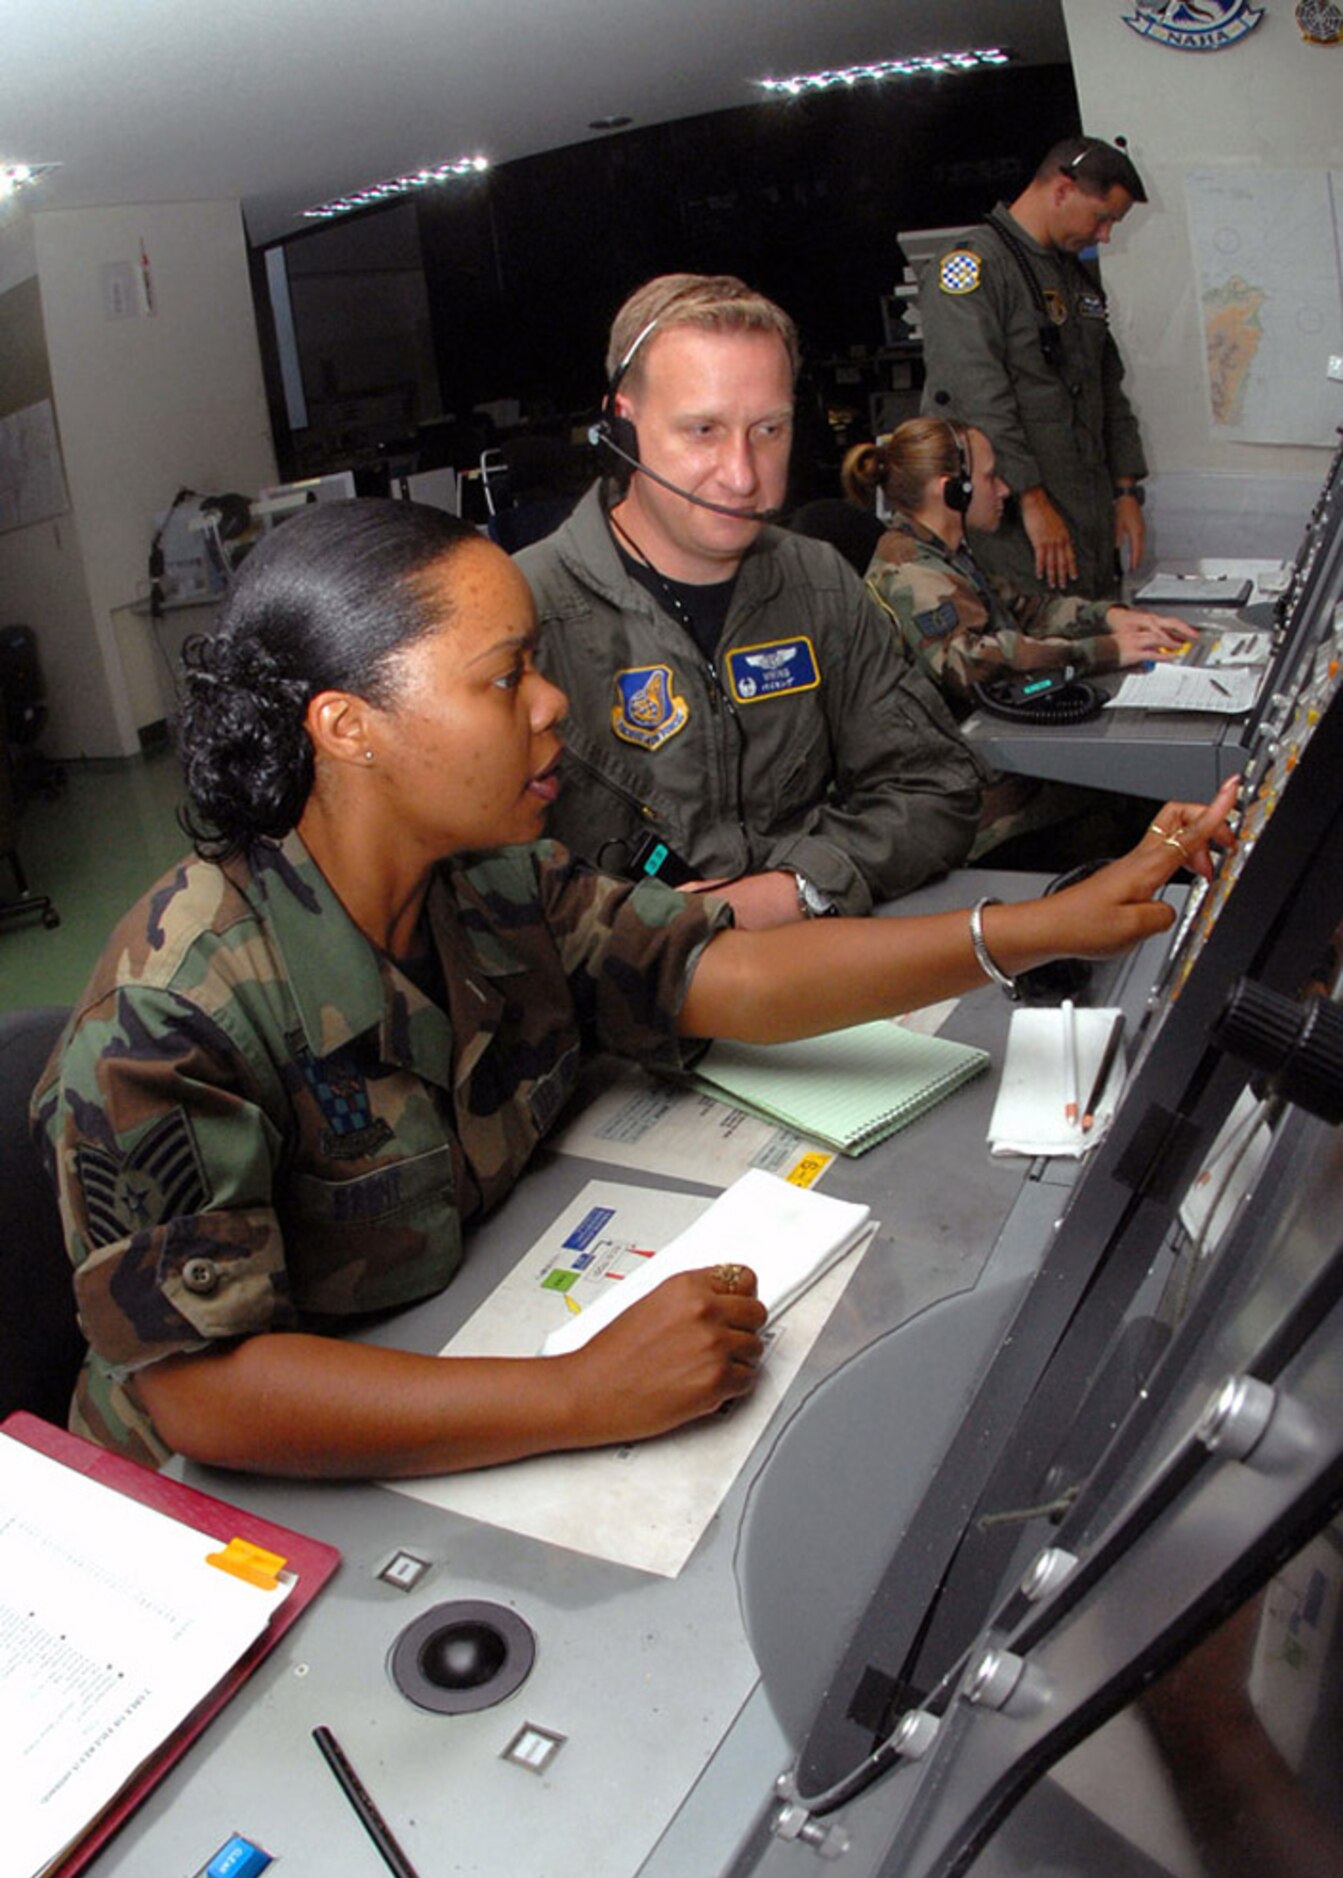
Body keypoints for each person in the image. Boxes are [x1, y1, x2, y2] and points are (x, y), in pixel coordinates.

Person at [32, 499, 1236, 1482]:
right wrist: (576, 1393)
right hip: (214, 1502)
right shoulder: (171, 1015)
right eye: (504, 679)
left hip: (447, 1340)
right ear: (349, 727)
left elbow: (725, 968)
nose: (552, 703)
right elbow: (203, 1391)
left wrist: (1028, 929)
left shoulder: (491, 878)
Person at [515, 273, 987, 930]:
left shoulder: (815, 583)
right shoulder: (520, 613)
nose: (741, 476)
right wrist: (643, 932)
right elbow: (473, 886)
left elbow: (935, 786)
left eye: (768, 430)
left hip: (806, 965)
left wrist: (796, 887)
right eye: (703, 430)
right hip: (618, 1007)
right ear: (621, 429)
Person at [855, 419, 1194, 865]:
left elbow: (1025, 610)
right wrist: (1107, 652)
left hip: (995, 765)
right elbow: (978, 665)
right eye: (991, 477)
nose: (1004, 489)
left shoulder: (946, 556)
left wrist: (1115, 617)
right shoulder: (910, 572)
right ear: (951, 490)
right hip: (969, 805)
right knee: (1136, 810)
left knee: (1142, 797)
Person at [918, 137, 1150, 601]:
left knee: (1104, 639)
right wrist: (1031, 498)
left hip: (1088, 516)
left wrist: (1127, 491)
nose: (1105, 235)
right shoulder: (973, 269)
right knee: (1046, 650)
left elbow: (1107, 388)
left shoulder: (1074, 277)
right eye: (1102, 218)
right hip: (1018, 527)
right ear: (1063, 189)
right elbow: (975, 398)